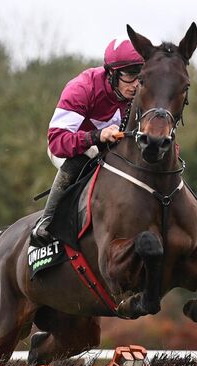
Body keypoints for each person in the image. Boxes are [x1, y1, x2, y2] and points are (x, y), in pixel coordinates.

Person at [30, 37, 144, 247]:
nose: (137, 84)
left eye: (141, 76)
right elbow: (57, 142)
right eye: (130, 75)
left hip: (114, 150)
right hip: (72, 148)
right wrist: (95, 137)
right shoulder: (83, 88)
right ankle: (47, 221)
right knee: (86, 154)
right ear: (112, 73)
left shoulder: (141, 93)